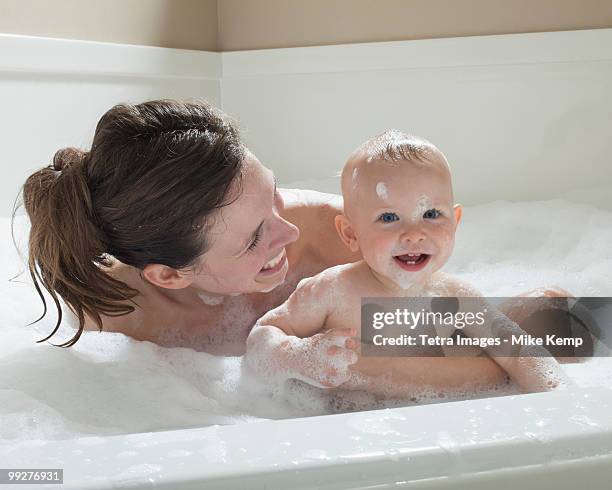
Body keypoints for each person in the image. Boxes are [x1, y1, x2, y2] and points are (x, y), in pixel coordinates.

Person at [18, 100, 571, 391]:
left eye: (273, 197)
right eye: (256, 237)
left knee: (571, 322)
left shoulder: (344, 240)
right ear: (169, 275)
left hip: (436, 331)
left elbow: (468, 344)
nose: (288, 231)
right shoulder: (117, 321)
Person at [244, 130, 570, 398]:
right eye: (389, 217)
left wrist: (561, 397)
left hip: (436, 424)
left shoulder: (455, 296)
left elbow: (516, 350)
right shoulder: (333, 290)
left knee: (548, 326)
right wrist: (300, 357)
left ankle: (551, 319)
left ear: (455, 221)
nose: (414, 234)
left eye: (431, 214)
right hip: (352, 428)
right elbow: (262, 338)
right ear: (350, 233)